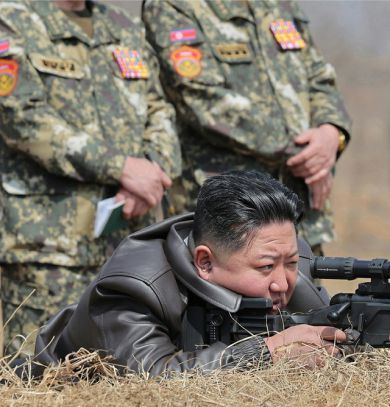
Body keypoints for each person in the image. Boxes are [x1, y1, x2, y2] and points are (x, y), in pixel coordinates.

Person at [32, 170, 347, 376]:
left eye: (290, 263)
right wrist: (266, 353)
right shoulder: (134, 288)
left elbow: (332, 336)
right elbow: (154, 381)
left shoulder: (283, 256)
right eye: (265, 268)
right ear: (205, 263)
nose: (282, 282)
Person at [0, 0, 181, 357]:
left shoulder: (122, 26)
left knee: (124, 369)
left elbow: (159, 107)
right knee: (39, 373)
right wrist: (122, 168)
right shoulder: (12, 20)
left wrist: (150, 170)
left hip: (130, 239)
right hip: (52, 243)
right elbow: (22, 118)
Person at [141, 0, 351, 256]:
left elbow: (319, 77)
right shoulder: (174, 6)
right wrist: (306, 151)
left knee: (307, 293)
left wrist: (331, 133)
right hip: (233, 222)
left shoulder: (280, 5)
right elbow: (197, 95)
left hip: (300, 213)